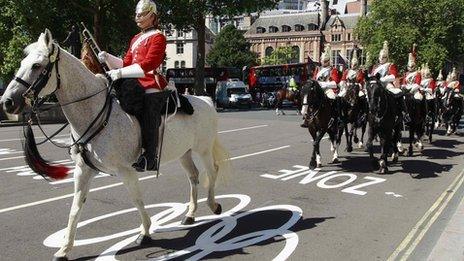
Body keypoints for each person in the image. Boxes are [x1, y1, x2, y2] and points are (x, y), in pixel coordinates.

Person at [98, 0, 168, 172]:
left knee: (149, 108)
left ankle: (150, 157)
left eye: (142, 14)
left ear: (152, 16)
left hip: (150, 80)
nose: (138, 17)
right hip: (132, 81)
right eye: (137, 14)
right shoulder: (136, 38)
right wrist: (108, 58)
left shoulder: (158, 36)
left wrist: (120, 73)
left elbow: (149, 63)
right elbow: (126, 63)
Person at [301, 45, 340, 128]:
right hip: (317, 89)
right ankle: (307, 118)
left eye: (324, 61)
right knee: (309, 98)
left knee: (333, 98)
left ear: (328, 61)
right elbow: (314, 79)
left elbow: (335, 83)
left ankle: (334, 117)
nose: (323, 62)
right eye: (322, 60)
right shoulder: (318, 69)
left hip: (327, 89)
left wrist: (324, 84)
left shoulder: (333, 70)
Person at [371, 41, 410, 123]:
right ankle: (365, 113)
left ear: (387, 57)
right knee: (367, 96)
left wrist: (383, 79)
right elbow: (372, 76)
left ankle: (404, 113)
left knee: (398, 92)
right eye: (380, 57)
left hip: (387, 85)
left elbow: (393, 76)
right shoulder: (375, 67)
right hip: (377, 86)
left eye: (383, 57)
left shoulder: (391, 65)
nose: (381, 59)